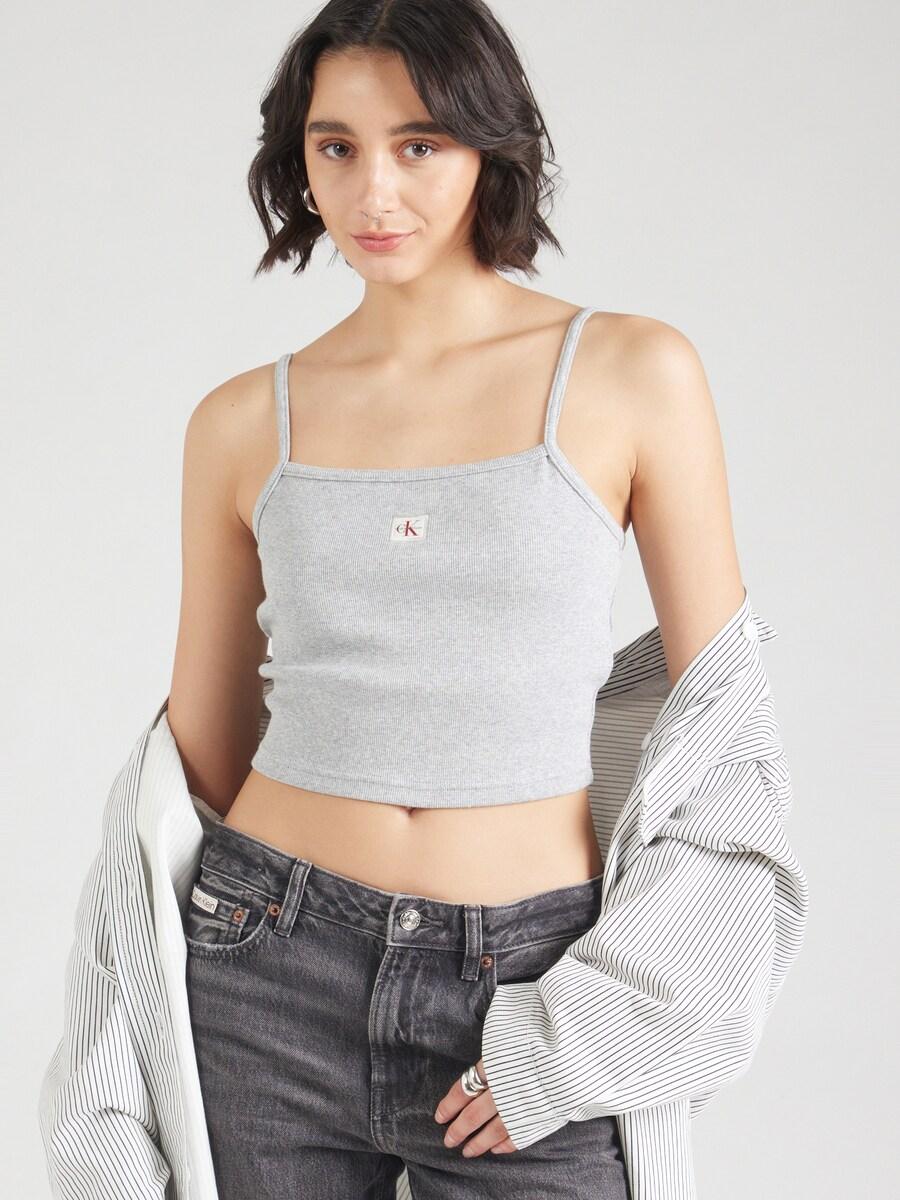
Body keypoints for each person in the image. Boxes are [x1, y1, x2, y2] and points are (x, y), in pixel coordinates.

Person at [169, 2, 752, 1196]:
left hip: (532, 976)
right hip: (267, 960)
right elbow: (205, 753)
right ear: (299, 159)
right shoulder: (239, 422)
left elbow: (722, 730)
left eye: (420, 144)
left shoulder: (632, 372)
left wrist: (583, 1037)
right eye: (337, 147)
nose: (374, 191)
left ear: (490, 145)